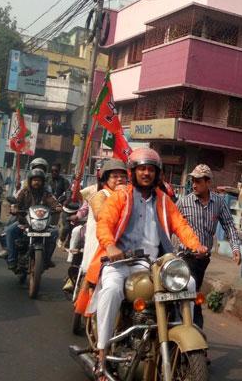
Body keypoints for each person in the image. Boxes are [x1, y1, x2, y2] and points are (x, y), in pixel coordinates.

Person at [87, 147, 207, 376]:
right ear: (133, 172)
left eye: (150, 169)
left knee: (188, 284)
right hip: (119, 261)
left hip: (150, 264)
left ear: (157, 173)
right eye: (141, 169)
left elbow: (180, 224)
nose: (146, 173)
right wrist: (110, 245)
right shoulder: (121, 196)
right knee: (111, 289)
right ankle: (102, 353)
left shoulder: (163, 200)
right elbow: (105, 222)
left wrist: (195, 245)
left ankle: (183, 341)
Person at [177, 164, 242, 329]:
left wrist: (235, 249)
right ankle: (194, 328)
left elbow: (228, 225)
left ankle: (190, 327)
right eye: (193, 181)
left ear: (208, 183)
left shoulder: (218, 203)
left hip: (203, 259)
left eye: (198, 181)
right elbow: (171, 224)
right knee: (190, 291)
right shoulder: (184, 202)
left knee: (194, 291)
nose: (194, 184)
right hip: (185, 256)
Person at [72, 158, 128, 316]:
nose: (119, 180)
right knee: (93, 274)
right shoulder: (100, 195)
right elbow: (100, 215)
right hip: (100, 242)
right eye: (115, 176)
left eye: (122, 176)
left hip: (123, 243)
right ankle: (83, 309)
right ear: (106, 179)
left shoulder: (129, 195)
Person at [4, 168, 61, 270]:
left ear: (42, 182)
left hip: (42, 224)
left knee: (55, 232)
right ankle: (11, 259)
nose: (36, 182)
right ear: (30, 181)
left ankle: (47, 259)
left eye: (39, 180)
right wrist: (15, 208)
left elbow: (52, 201)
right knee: (9, 231)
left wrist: (57, 206)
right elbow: (17, 203)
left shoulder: (46, 193)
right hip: (25, 222)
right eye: (34, 180)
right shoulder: (24, 192)